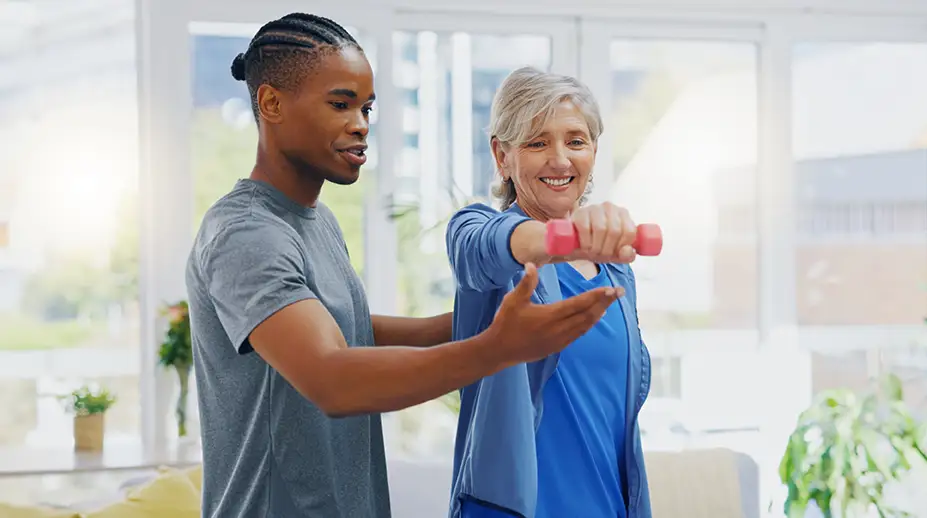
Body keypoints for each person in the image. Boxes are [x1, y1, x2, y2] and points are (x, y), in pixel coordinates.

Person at [185, 13, 624, 518]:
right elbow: (331, 378)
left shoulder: (315, 221)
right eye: (340, 104)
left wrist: (480, 320)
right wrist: (496, 348)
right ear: (271, 103)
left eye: (367, 108)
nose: (361, 124)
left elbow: (346, 330)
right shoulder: (245, 233)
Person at [445, 66, 654, 518]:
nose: (560, 160)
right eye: (537, 143)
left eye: (576, 141)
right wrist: (561, 239)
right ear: (502, 156)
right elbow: (486, 247)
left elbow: (617, 427)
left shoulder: (615, 268)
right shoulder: (482, 239)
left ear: (593, 151)